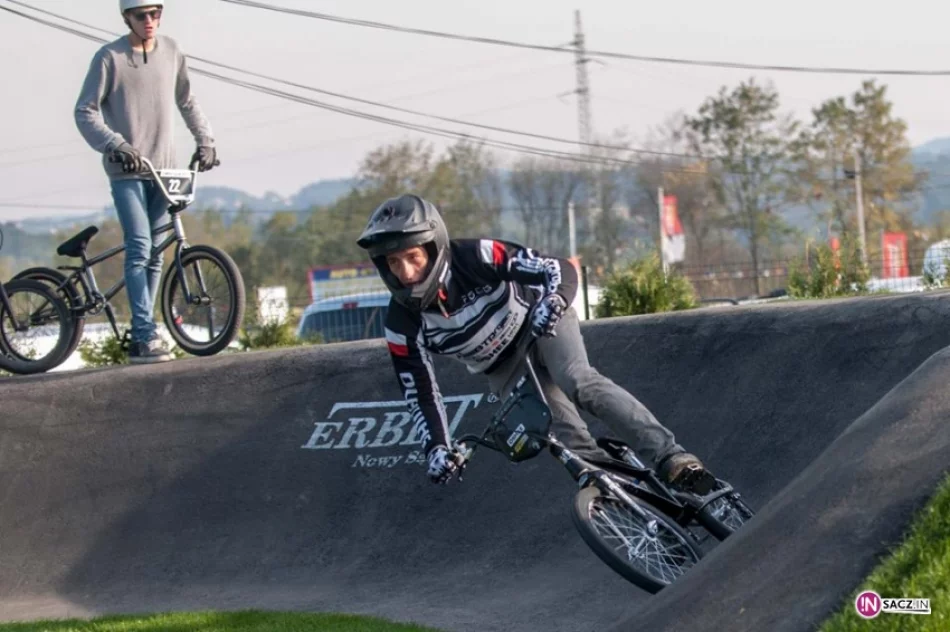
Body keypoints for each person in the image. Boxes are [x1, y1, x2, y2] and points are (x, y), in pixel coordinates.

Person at [356, 194, 710, 490]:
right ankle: (640, 503)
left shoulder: (474, 256)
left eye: (413, 257)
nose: (405, 273)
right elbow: (420, 393)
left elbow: (556, 267)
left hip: (540, 324)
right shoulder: (401, 324)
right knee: (567, 440)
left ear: (434, 248)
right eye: (393, 262)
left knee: (579, 382)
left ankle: (671, 457)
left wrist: (554, 300)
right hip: (503, 367)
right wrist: (435, 447)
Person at [74, 0, 218, 364]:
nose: (150, 21)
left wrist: (206, 141)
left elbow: (187, 100)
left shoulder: (171, 51)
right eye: (141, 15)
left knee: (156, 254)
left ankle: (145, 332)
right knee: (139, 246)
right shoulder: (109, 58)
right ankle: (143, 334)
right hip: (126, 170)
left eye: (155, 13)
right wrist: (115, 144)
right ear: (127, 18)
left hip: (164, 170)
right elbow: (84, 111)